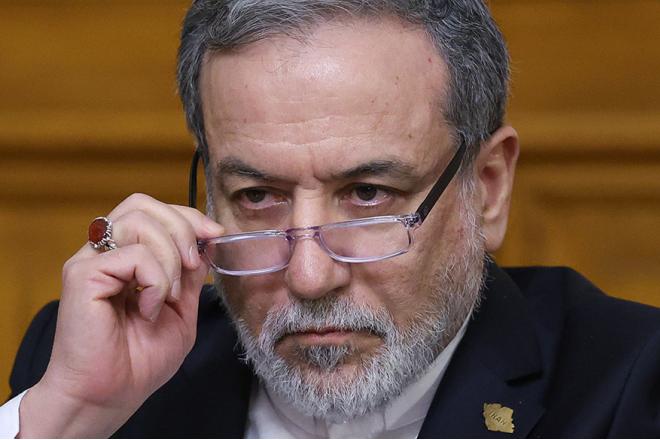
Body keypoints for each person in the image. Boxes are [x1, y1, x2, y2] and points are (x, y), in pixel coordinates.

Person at [3, 0, 660, 437]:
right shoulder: (99, 366)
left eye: (368, 194)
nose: (310, 277)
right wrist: (70, 416)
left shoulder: (630, 385)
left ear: (486, 189)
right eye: (257, 196)